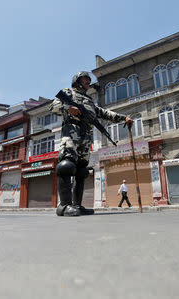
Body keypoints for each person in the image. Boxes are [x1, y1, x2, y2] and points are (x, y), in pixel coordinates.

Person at [50, 71, 133, 216]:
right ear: (77, 80)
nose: (88, 81)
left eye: (89, 80)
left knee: (82, 171)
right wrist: (68, 108)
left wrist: (123, 118)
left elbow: (104, 113)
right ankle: (64, 206)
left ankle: (77, 205)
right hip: (71, 131)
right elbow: (53, 107)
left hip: (86, 135)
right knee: (66, 166)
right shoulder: (68, 92)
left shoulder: (88, 100)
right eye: (85, 79)